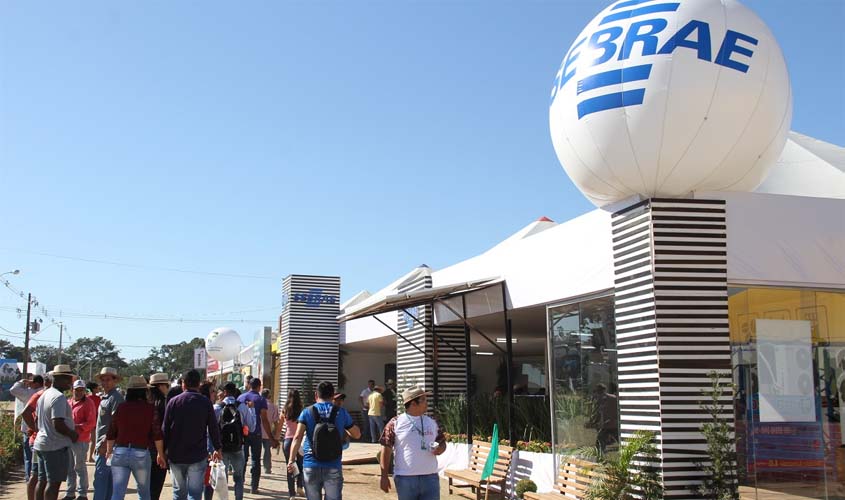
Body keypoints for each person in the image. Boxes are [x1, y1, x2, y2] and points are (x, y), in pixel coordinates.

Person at [287, 381, 361, 500]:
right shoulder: (341, 412)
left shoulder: (307, 412)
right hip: (333, 464)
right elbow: (357, 434)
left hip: (310, 464)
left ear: (316, 395)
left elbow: (297, 437)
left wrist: (291, 460)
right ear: (332, 396)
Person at [162, 369, 222, 500]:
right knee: (195, 493)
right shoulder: (206, 402)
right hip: (197, 455)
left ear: (183, 384)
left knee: (178, 493)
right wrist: (218, 448)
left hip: (176, 455)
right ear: (199, 384)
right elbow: (213, 428)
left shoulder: (173, 402)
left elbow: (165, 429)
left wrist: (162, 452)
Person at [379, 386, 446, 500]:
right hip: (405, 478)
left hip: (430, 478)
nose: (427, 403)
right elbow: (386, 450)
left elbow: (442, 442)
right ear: (413, 404)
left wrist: (440, 448)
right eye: (424, 400)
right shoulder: (395, 423)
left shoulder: (432, 422)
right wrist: (384, 476)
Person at [106, 375, 166, 500]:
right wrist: (160, 454)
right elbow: (157, 434)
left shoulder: (121, 408)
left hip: (120, 452)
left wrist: (109, 451)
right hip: (141, 453)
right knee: (144, 493)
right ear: (144, 391)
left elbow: (111, 432)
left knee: (117, 493)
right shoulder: (150, 409)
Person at [33, 364, 79, 500]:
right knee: (53, 484)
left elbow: (37, 422)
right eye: (69, 379)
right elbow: (57, 423)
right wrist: (72, 434)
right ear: (61, 379)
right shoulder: (58, 397)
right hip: (55, 446)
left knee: (42, 481)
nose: (70, 383)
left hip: (41, 443)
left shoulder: (44, 394)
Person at [236, 378, 278, 494]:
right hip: (256, 433)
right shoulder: (261, 399)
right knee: (255, 460)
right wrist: (271, 437)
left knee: (242, 459)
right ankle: (254, 487)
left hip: (242, 433)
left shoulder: (241, 398)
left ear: (249, 385)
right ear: (259, 386)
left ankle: (240, 482)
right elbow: (264, 420)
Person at [215, 382, 253, 500]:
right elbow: (251, 426)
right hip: (237, 446)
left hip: (222, 448)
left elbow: (210, 429)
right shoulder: (242, 407)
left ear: (225, 392)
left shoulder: (217, 408)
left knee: (222, 477)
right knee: (238, 477)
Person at [93, 367, 124, 500]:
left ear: (115, 381)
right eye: (103, 380)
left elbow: (115, 423)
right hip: (105, 444)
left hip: (107, 446)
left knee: (101, 480)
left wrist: (105, 444)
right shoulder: (106, 397)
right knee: (107, 481)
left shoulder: (115, 397)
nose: (105, 383)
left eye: (108, 380)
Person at [22, 374, 52, 500]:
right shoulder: (40, 395)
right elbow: (26, 412)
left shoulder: (49, 395)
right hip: (38, 441)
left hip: (43, 441)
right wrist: (36, 430)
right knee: (37, 475)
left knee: (40, 475)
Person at [66, 379, 96, 500]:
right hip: (68, 439)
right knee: (69, 467)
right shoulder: (68, 402)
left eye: (81, 390)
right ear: (72, 390)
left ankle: (82, 493)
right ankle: (70, 492)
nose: (79, 392)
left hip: (81, 439)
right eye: (76, 390)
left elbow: (91, 422)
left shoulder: (88, 403)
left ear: (84, 391)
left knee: (79, 466)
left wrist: (77, 427)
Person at [10, 374, 44, 483]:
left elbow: (13, 390)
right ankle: (40, 479)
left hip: (28, 429)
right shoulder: (45, 392)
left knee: (29, 457)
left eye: (31, 381)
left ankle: (29, 479)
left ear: (37, 383)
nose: (29, 383)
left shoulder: (30, 393)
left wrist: (21, 381)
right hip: (42, 429)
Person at [274, 389, 304, 499]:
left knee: (290, 466)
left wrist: (276, 440)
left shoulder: (285, 410)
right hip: (299, 441)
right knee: (301, 465)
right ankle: (300, 485)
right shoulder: (302, 410)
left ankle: (292, 494)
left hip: (287, 441)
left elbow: (279, 427)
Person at [148, 373, 171, 500]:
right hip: (159, 450)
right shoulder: (164, 404)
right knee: (155, 489)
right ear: (161, 386)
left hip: (144, 450)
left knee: (145, 488)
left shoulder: (146, 403)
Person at [592, 384, 619, 454]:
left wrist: (614, 419)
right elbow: (599, 413)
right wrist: (594, 422)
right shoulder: (599, 400)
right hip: (605, 426)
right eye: (598, 391)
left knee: (620, 440)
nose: (598, 393)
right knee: (599, 443)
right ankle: (599, 457)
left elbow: (617, 411)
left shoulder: (613, 398)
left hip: (613, 425)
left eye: (599, 391)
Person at [259, 388, 278, 475]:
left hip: (258, 432)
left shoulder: (258, 405)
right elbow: (275, 421)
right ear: (269, 396)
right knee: (267, 451)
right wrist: (276, 434)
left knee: (256, 451)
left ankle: (256, 467)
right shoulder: (273, 406)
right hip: (268, 432)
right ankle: (267, 468)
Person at [85, 382, 101, 464]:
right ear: (94, 389)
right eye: (97, 388)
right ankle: (90, 457)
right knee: (93, 440)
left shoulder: (86, 398)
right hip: (93, 421)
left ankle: (84, 456)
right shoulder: (98, 399)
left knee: (85, 439)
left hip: (85, 421)